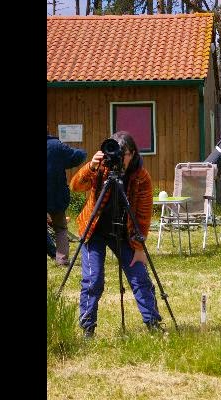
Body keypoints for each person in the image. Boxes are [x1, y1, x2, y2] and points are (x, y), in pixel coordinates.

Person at [69, 131, 164, 338]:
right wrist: (90, 166)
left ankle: (153, 323)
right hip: (93, 230)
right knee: (93, 280)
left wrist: (139, 248)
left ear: (133, 153)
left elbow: (143, 215)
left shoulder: (141, 176)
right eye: (117, 153)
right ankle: (87, 328)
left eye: (125, 154)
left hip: (124, 233)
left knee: (140, 276)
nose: (120, 158)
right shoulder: (102, 167)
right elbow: (75, 186)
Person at [47, 127, 87, 266]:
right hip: (56, 195)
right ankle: (62, 260)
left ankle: (53, 253)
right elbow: (77, 156)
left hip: (55, 195)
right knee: (60, 228)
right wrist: (83, 152)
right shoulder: (56, 146)